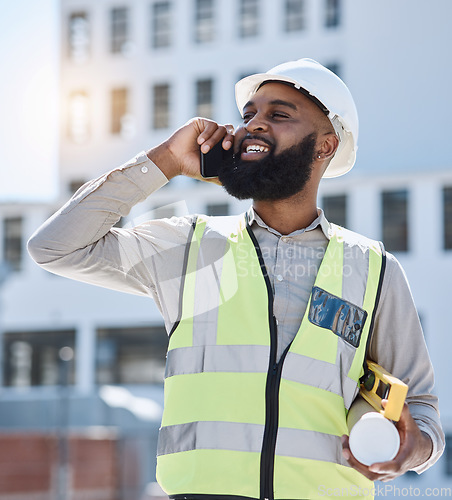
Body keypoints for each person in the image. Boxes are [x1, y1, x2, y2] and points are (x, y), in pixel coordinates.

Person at [28, 59, 444, 499]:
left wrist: (412, 449)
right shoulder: (189, 246)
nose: (253, 125)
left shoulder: (374, 270)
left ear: (326, 146)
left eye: (278, 115)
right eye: (249, 115)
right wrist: (165, 160)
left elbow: (421, 412)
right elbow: (55, 247)